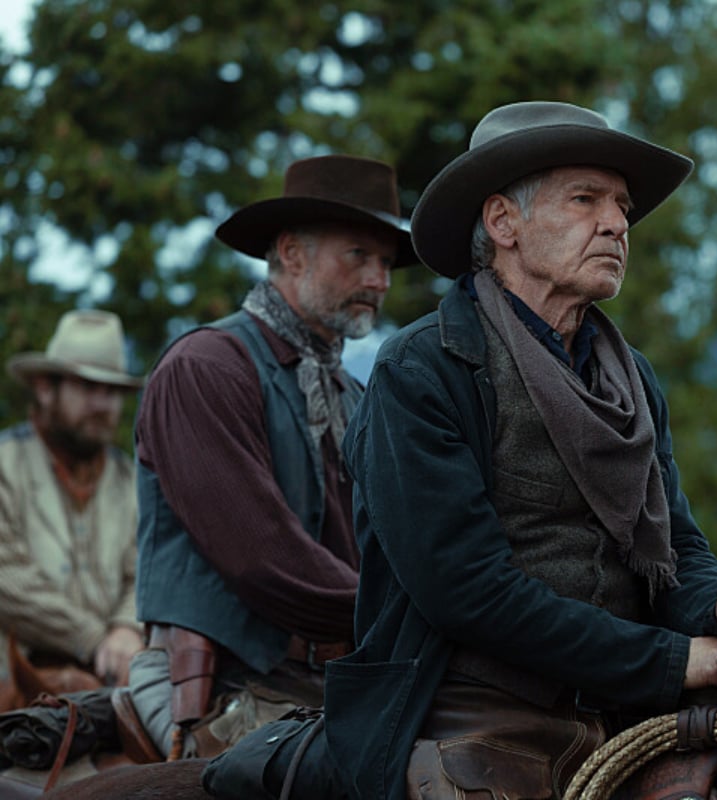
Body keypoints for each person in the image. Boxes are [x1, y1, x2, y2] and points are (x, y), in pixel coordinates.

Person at [312, 101, 717, 800]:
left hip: (628, 716)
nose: (618, 224)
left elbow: (676, 546)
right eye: (585, 199)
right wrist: (671, 661)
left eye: (622, 206)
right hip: (470, 716)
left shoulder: (632, 378)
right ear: (504, 223)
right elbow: (466, 592)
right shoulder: (422, 371)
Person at [128, 154, 417, 759]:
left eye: (386, 262)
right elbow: (262, 559)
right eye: (358, 256)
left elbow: (385, 540)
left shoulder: (353, 392)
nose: (380, 280)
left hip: (322, 678)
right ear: (290, 254)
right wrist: (410, 612)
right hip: (218, 680)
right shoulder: (205, 367)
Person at [0, 310, 143, 686]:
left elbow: (147, 569)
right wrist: (94, 639)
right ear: (46, 388)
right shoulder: (5, 465)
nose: (102, 404)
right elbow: (6, 578)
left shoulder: (133, 482)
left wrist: (128, 627)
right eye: (88, 387)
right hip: (13, 679)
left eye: (111, 391)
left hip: (114, 681)